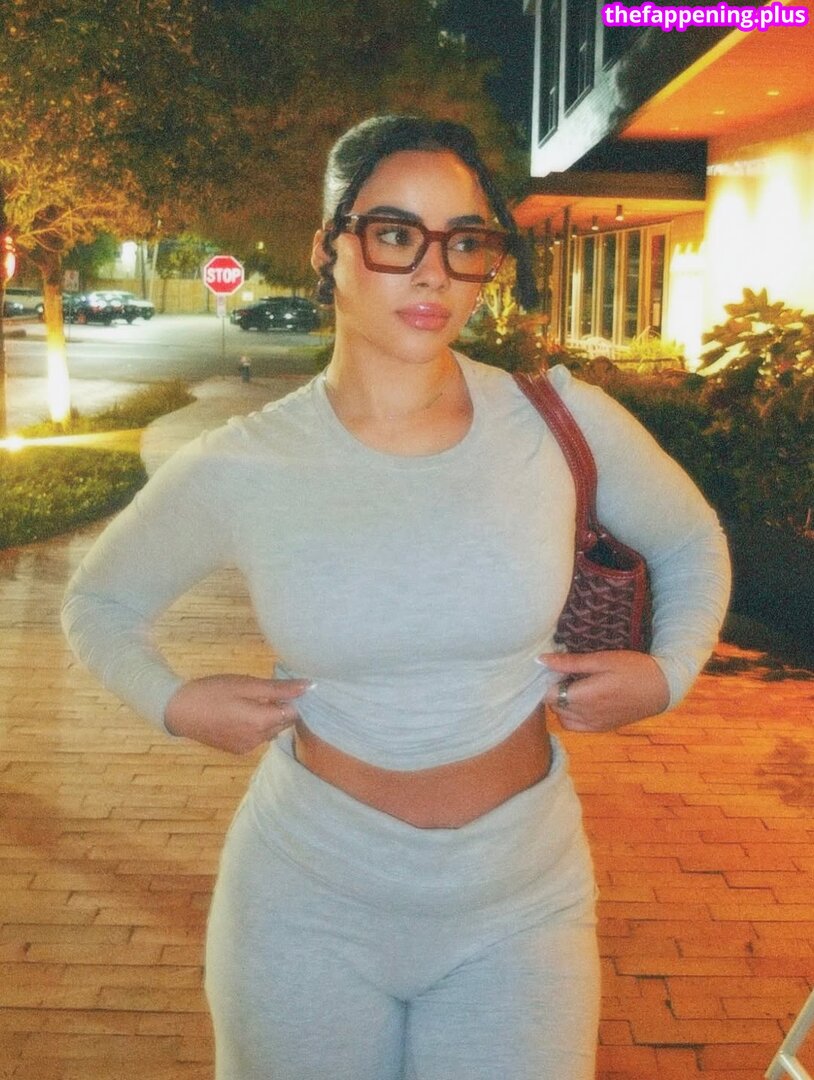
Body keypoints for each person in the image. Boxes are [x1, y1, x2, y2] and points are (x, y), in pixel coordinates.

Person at [62, 115, 731, 1080]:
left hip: (521, 901)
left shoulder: (555, 418)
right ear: (328, 248)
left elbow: (690, 538)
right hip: (305, 900)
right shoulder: (246, 461)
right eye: (394, 234)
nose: (433, 273)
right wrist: (171, 703)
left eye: (464, 241)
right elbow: (99, 603)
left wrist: (670, 674)